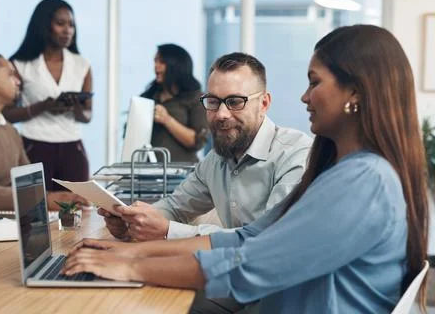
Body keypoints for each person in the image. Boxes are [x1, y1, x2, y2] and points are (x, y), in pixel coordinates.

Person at [62, 25, 429, 313]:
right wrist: (130, 252)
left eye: (314, 82)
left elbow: (247, 266)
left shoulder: (363, 182)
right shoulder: (340, 171)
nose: (304, 96)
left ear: (356, 93)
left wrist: (131, 268)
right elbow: (242, 238)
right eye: (214, 102)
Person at [101, 52, 312, 242]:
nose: (221, 114)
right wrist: (132, 220)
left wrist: (168, 230)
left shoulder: (295, 154)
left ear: (264, 104)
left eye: (235, 101)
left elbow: (270, 236)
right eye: (213, 101)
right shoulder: (216, 160)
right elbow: (175, 207)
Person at [0, 51, 88, 214]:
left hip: (8, 222)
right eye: (11, 74)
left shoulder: (10, 130)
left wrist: (58, 198)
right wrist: (44, 199)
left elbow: (31, 185)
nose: (18, 81)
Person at [2, 0, 93, 191]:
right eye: (60, 24)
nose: (67, 30)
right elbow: (6, 114)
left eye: (71, 25)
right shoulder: (20, 64)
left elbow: (87, 116)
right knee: (34, 211)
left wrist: (73, 106)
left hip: (73, 149)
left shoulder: (82, 64)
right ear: (44, 25)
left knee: (77, 211)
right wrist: (43, 106)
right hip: (33, 148)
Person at [140, 43, 208, 163]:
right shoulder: (148, 98)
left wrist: (167, 120)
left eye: (161, 62)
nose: (156, 66)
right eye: (155, 61)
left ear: (176, 66)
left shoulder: (195, 98)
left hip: (183, 174)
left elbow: (197, 141)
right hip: (148, 174)